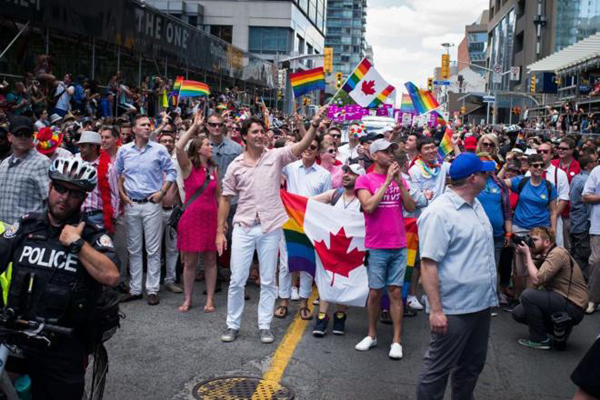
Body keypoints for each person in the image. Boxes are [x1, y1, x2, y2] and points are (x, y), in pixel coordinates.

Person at [0, 157, 120, 399]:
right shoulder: (26, 226)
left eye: (74, 193)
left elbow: (111, 275)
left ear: (83, 199)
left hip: (63, 345)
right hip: (15, 334)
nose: (64, 197)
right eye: (60, 188)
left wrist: (77, 244)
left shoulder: (90, 235)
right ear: (50, 187)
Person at [217, 107, 328, 344]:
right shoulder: (236, 165)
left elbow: (299, 147)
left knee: (268, 280)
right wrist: (220, 231)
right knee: (237, 279)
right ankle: (232, 324)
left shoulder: (276, 156)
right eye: (255, 132)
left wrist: (314, 125)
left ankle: (264, 325)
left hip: (270, 227)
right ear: (244, 136)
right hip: (244, 227)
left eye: (262, 131)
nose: (260, 135)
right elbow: (225, 198)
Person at [416, 152, 498, 400]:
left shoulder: (475, 204)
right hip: (454, 309)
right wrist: (437, 311)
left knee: (472, 366)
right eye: (485, 173)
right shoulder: (439, 213)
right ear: (473, 178)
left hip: (480, 305)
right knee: (437, 369)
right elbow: (428, 265)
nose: (489, 177)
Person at [354, 139, 416, 360]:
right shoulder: (364, 179)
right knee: (374, 292)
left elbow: (410, 207)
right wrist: (387, 180)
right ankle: (372, 335)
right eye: (386, 151)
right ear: (373, 155)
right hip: (377, 245)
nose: (391, 154)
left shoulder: (400, 180)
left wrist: (399, 184)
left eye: (392, 150)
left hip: (398, 244)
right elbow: (368, 206)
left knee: (396, 292)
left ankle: (396, 340)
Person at [115, 114, 177, 306]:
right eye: (142, 125)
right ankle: (135, 288)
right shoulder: (124, 151)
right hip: (132, 204)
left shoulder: (159, 150)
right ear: (133, 129)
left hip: (152, 204)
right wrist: (122, 194)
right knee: (134, 249)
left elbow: (172, 172)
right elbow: (117, 173)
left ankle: (152, 289)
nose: (147, 127)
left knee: (153, 249)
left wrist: (162, 192)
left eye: (148, 124)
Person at [277, 135, 331, 320]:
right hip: (289, 222)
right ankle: (283, 301)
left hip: (311, 224)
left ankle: (303, 303)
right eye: (306, 146)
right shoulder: (290, 168)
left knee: (308, 264)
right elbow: (274, 157)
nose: (308, 149)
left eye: (313, 146)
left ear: (317, 151)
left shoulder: (324, 175)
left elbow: (326, 203)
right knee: (285, 264)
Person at [512, 227, 588, 349]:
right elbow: (522, 273)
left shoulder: (557, 253)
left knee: (528, 295)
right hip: (562, 302)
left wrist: (527, 253)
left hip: (574, 305)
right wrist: (520, 253)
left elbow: (537, 279)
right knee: (519, 312)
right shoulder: (544, 256)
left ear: (547, 242)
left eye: (535, 240)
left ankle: (540, 339)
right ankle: (560, 328)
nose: (531, 243)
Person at [311, 163, 365, 336]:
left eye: (352, 173)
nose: (346, 175)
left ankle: (340, 315)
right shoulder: (335, 194)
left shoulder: (364, 200)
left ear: (360, 178)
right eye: (346, 171)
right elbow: (307, 204)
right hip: (331, 247)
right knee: (327, 280)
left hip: (351, 250)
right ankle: (322, 316)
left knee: (344, 282)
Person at [176, 113, 219, 313]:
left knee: (211, 261)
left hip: (210, 219)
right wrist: (193, 128)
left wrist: (222, 222)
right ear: (198, 149)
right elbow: (178, 147)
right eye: (207, 144)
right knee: (190, 262)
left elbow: (218, 197)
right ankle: (188, 299)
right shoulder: (188, 168)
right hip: (191, 220)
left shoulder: (213, 170)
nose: (211, 147)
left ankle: (209, 299)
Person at [504, 153, 558, 297]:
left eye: (541, 165)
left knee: (533, 266)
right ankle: (517, 298)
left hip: (539, 231)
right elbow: (500, 182)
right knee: (518, 268)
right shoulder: (521, 181)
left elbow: (553, 211)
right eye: (535, 165)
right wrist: (505, 164)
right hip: (520, 227)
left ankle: (529, 299)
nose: (539, 168)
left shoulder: (549, 186)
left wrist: (553, 232)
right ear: (529, 166)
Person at [0, 116, 51, 224]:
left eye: (27, 134)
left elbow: (50, 201)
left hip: (27, 234)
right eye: (19, 133)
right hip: (4, 234)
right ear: (9, 137)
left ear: (32, 137)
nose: (23, 137)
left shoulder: (42, 163)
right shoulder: (4, 164)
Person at [158, 131, 184, 295]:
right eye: (164, 141)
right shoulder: (153, 160)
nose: (167, 143)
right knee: (153, 249)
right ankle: (153, 284)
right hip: (155, 210)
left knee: (173, 248)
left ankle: (170, 280)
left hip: (174, 211)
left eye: (170, 140)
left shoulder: (178, 163)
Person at [76, 131, 118, 229]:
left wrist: (112, 218)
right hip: (77, 217)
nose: (80, 149)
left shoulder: (109, 168)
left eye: (83, 146)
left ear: (93, 147)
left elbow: (115, 196)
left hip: (97, 217)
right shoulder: (77, 165)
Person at [534, 141, 570, 247]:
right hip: (534, 219)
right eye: (539, 151)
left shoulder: (560, 174)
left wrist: (550, 217)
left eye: (545, 151)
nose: (541, 153)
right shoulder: (529, 172)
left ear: (551, 155)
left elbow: (563, 199)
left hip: (553, 220)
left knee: (554, 249)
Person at [569, 155, 596, 281]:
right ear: (588, 165)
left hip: (575, 221)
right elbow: (588, 205)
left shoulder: (576, 178)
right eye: (594, 162)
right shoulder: (586, 180)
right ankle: (578, 283)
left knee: (576, 253)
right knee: (583, 255)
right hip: (583, 222)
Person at [552, 137, 580, 251]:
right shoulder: (552, 163)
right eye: (559, 148)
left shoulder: (577, 166)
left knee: (567, 244)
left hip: (569, 211)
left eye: (564, 148)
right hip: (552, 209)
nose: (561, 150)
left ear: (572, 150)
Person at [582, 163, 600, 314]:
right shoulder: (597, 171)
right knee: (596, 261)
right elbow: (585, 196)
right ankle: (592, 299)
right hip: (598, 226)